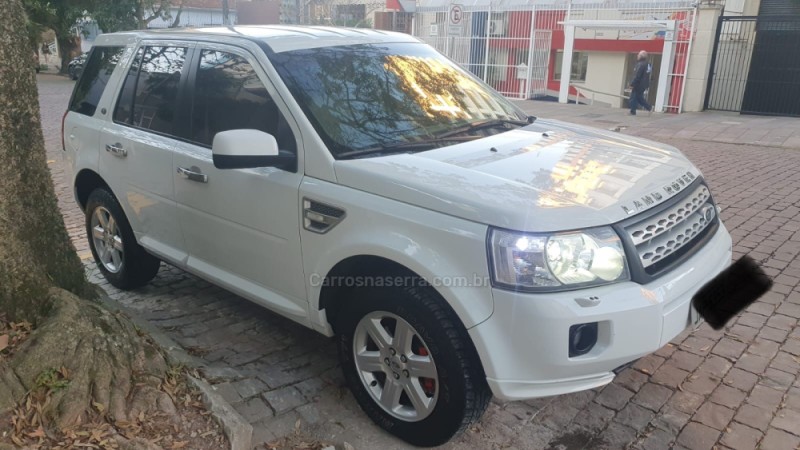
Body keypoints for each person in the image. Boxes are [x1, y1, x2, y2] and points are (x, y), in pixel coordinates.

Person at [629, 50, 652, 115]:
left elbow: (637, 75)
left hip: (638, 84)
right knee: (639, 97)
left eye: (638, 55)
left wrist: (632, 84)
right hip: (644, 84)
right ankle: (649, 107)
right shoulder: (648, 64)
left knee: (633, 97)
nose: (637, 56)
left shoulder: (640, 65)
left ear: (641, 56)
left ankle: (633, 111)